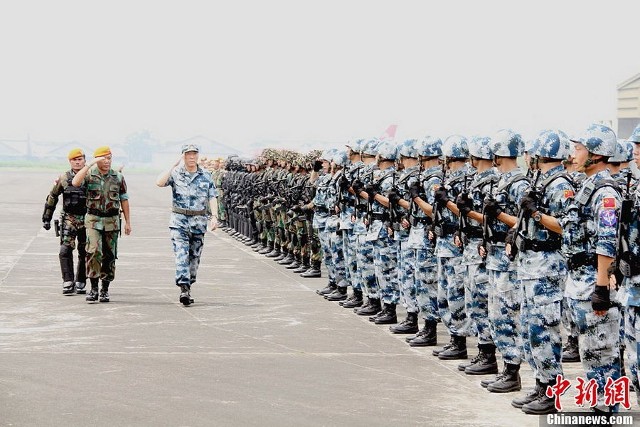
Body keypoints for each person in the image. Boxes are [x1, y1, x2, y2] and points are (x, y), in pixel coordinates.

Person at [156, 144, 218, 306]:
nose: (191, 157)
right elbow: (160, 182)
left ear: (197, 156)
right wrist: (172, 166)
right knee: (181, 255)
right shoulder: (176, 173)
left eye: (194, 154)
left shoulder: (206, 175)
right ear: (183, 156)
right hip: (179, 221)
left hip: (198, 221)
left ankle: (189, 284)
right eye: (188, 154)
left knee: (194, 258)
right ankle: (184, 288)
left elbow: (212, 197)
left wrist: (215, 216)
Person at [72, 146, 131, 303]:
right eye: (103, 158)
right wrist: (89, 164)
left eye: (109, 158)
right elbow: (75, 182)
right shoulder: (89, 175)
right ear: (96, 160)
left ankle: (105, 289)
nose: (107, 161)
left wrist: (128, 222)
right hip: (93, 220)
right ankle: (93, 288)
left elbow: (124, 199)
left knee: (110, 255)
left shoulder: (118, 177)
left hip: (112, 221)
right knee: (93, 252)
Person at [42, 148, 88, 295]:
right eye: (74, 159)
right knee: (65, 250)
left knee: (85, 251)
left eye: (80, 159)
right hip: (69, 218)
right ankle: (68, 281)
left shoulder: (92, 177)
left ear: (84, 160)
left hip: (88, 219)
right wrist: (46, 218)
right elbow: (52, 196)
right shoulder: (63, 178)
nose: (77, 161)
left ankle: (81, 281)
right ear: (70, 162)